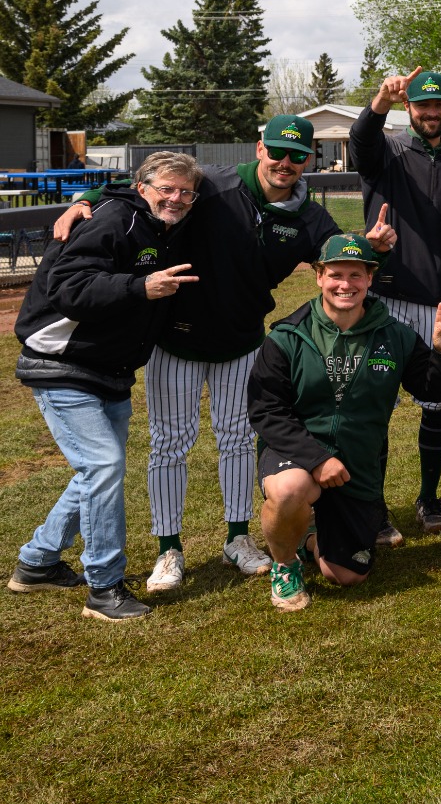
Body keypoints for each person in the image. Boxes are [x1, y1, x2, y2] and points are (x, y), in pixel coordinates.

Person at [53, 116, 380, 590]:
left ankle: (237, 537)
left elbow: (341, 261)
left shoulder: (309, 215)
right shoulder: (213, 182)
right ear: (259, 148)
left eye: (297, 155)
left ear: (310, 159)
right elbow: (140, 187)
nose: (285, 162)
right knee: (170, 443)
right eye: (277, 151)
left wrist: (376, 250)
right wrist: (82, 202)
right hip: (177, 340)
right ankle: (168, 549)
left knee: (237, 440)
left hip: (243, 343)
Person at [10, 151, 201, 621]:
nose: (175, 198)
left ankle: (37, 562)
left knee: (97, 471)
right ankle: (104, 586)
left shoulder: (162, 224)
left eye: (184, 191)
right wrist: (140, 287)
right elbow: (67, 288)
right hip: (62, 362)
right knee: (103, 465)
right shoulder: (114, 219)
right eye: (165, 189)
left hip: (110, 369)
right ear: (143, 188)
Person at [249, 235, 441, 612]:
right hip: (297, 454)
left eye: (355, 275)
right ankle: (285, 566)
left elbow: (430, 390)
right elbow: (267, 412)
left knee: (346, 575)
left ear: (369, 279)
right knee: (288, 491)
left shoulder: (394, 334)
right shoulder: (288, 335)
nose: (345, 284)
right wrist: (317, 459)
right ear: (318, 276)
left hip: (356, 464)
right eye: (335, 274)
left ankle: (311, 535)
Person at [352, 66, 441, 535]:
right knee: (377, 403)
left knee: (438, 401)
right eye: (423, 105)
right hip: (390, 295)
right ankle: (375, 507)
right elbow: (361, 140)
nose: (432, 113)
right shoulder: (389, 151)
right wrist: (380, 98)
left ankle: (427, 497)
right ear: (409, 108)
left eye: (439, 105)